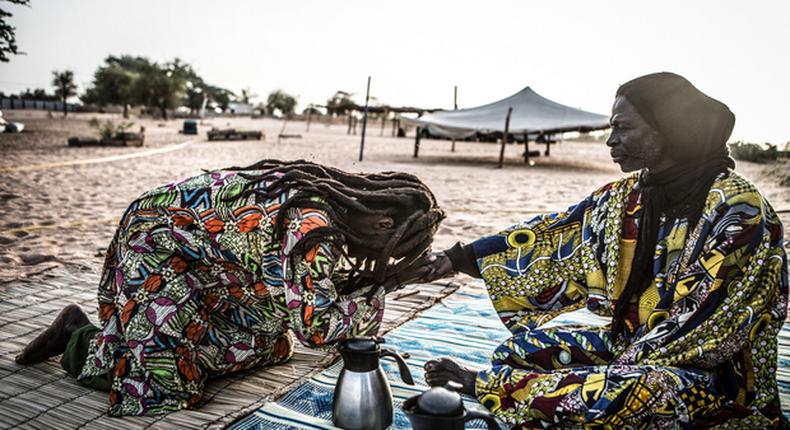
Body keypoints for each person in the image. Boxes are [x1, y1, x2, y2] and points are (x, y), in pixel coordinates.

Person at [398, 73, 788, 428]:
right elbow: (554, 236)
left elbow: (703, 331)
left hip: (709, 378)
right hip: (630, 349)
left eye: (622, 127)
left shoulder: (737, 210)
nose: (610, 140)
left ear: (667, 128)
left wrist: (597, 377)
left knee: (635, 393)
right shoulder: (633, 195)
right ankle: (524, 392)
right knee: (518, 353)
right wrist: (455, 259)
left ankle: (498, 389)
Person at [15, 159, 444, 416]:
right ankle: (78, 337)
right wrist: (388, 286)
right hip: (154, 246)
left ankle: (164, 343)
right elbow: (317, 328)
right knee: (167, 388)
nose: (388, 258)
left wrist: (381, 284)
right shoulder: (314, 229)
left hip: (210, 264)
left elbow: (307, 306)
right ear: (384, 223)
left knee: (272, 346)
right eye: (398, 248)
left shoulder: (330, 206)